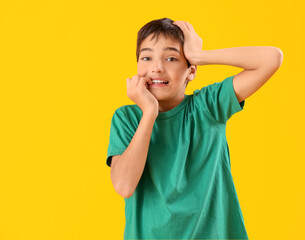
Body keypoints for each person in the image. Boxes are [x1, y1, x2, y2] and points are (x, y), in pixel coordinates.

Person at [106, 17, 283, 239]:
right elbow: (123, 186)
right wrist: (149, 112)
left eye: (171, 58)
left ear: (191, 71)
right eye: (146, 57)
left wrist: (200, 56)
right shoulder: (127, 118)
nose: (157, 67)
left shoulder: (208, 107)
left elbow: (272, 58)